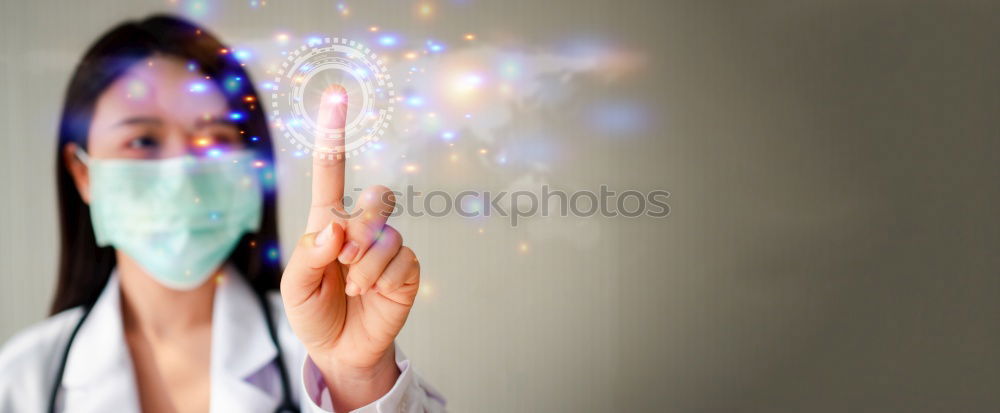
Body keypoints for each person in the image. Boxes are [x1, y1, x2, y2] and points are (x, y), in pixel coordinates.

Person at [0, 14, 445, 412]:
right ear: (83, 174)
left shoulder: (322, 353)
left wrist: (354, 379)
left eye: (214, 139)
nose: (183, 176)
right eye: (143, 141)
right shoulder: (21, 380)